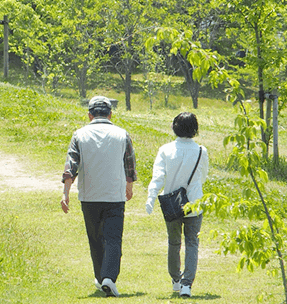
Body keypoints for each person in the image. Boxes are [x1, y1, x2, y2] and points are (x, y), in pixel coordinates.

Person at [61, 95, 137, 298]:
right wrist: (129, 186)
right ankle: (108, 278)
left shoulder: (79, 134)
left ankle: (101, 277)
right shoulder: (122, 134)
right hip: (114, 195)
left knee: (95, 238)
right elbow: (129, 163)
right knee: (113, 238)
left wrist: (65, 193)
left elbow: (71, 166)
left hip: (89, 196)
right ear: (111, 114)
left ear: (89, 115)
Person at [145, 112, 209, 298]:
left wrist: (151, 197)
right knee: (192, 243)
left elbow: (158, 177)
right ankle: (187, 284)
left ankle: (176, 279)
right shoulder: (201, 151)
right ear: (195, 129)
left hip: (172, 203)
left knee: (174, 242)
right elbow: (203, 176)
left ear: (174, 127)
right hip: (194, 202)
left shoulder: (166, 149)